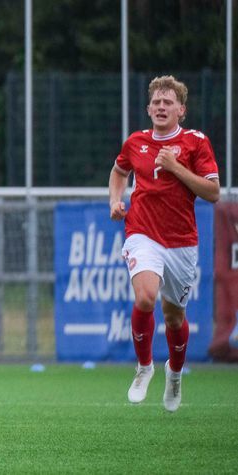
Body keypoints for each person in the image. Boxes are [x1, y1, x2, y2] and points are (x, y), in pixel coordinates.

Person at [108, 75, 220, 412]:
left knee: (173, 318)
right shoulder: (136, 142)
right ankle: (144, 367)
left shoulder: (196, 143)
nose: (160, 106)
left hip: (181, 242)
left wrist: (175, 168)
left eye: (167, 102)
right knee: (145, 297)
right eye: (156, 101)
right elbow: (118, 171)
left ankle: (174, 373)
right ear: (148, 108)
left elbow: (213, 192)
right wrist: (115, 200)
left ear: (181, 110)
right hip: (142, 231)